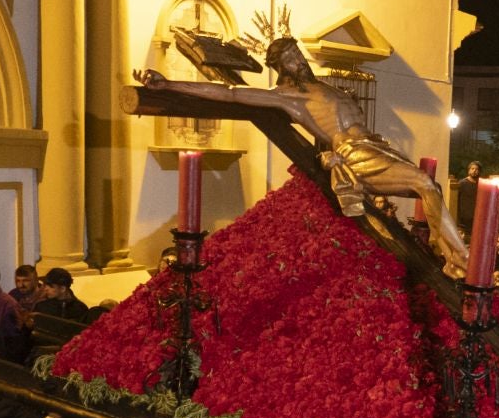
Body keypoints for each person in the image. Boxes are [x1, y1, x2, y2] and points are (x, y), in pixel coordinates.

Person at [135, 24, 472, 276]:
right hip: (353, 153)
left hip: (375, 145)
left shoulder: (325, 86)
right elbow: (231, 93)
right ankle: (461, 260)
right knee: (424, 184)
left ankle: (450, 257)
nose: (298, 60)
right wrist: (168, 85)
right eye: (290, 59)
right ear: (281, 67)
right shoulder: (288, 96)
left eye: (297, 53)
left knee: (430, 187)